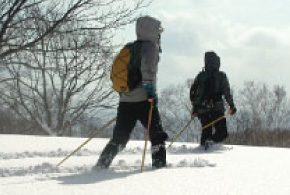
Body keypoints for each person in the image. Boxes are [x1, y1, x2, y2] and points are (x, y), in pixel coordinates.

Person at [95, 16, 168, 169]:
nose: (159, 33)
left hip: (125, 101)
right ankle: (159, 166)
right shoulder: (150, 48)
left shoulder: (130, 47)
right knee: (157, 135)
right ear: (151, 31)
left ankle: (102, 165)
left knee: (119, 138)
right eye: (157, 30)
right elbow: (148, 73)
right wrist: (151, 94)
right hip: (144, 101)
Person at [190, 51, 236, 149]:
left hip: (202, 109)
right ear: (217, 62)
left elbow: (194, 93)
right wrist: (231, 105)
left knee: (206, 132)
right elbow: (226, 93)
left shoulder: (201, 76)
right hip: (217, 109)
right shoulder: (221, 76)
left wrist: (195, 109)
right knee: (222, 132)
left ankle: (202, 151)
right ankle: (210, 144)